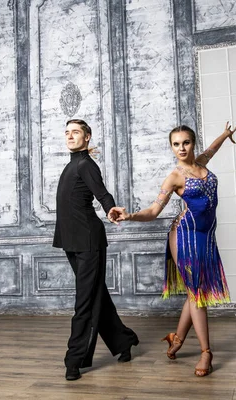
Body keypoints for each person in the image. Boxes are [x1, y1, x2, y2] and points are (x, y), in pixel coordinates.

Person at [108, 122, 236, 377]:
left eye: (185, 142)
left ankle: (177, 339)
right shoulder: (175, 176)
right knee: (197, 292)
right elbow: (154, 211)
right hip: (184, 236)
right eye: (176, 144)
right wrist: (130, 215)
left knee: (194, 292)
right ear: (171, 147)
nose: (181, 148)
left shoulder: (201, 163)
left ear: (193, 143)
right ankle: (206, 352)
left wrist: (224, 134)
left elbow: (213, 148)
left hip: (206, 236)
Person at [54, 119, 139, 381]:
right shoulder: (72, 164)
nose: (70, 136)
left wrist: (110, 208)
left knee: (85, 301)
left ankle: (74, 359)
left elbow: (102, 194)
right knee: (95, 294)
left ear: (87, 137)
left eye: (76, 132)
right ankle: (124, 341)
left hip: (89, 240)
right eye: (67, 132)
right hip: (71, 240)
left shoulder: (86, 165)